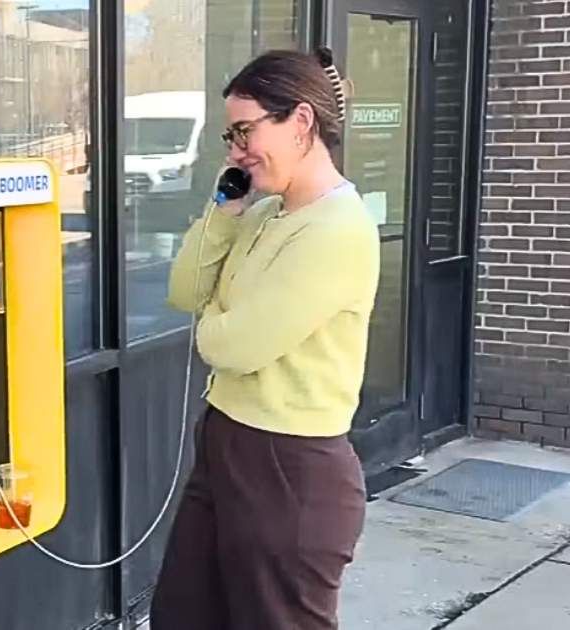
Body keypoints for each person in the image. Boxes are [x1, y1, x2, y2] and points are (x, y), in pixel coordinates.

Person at [150, 47, 379, 630]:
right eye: (230, 136)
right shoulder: (260, 214)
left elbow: (233, 346)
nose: (235, 152)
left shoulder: (338, 229)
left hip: (290, 466)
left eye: (245, 131)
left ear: (301, 121)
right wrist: (225, 212)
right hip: (226, 441)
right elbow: (185, 289)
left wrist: (220, 315)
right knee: (182, 615)